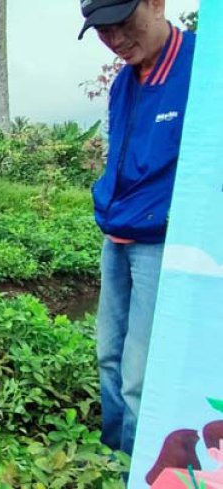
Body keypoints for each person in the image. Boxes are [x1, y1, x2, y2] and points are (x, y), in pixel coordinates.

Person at [78, 0, 196, 455]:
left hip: (160, 245)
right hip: (117, 237)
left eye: (124, 25)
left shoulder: (202, 72)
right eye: (104, 32)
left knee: (141, 376)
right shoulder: (124, 83)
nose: (116, 41)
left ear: (156, 3)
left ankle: (137, 465)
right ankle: (111, 456)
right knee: (109, 356)